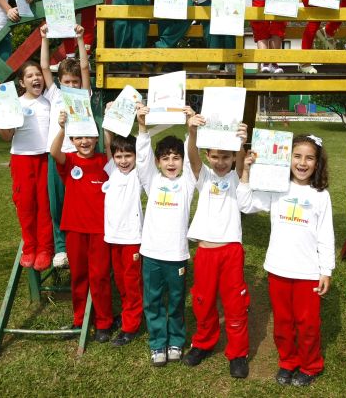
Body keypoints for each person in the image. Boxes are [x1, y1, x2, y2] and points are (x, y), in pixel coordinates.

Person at [237, 135, 334, 387]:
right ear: (287, 159)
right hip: (278, 268)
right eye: (297, 156)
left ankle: (311, 365)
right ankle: (288, 361)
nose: (302, 163)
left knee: (308, 324)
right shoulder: (276, 187)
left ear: (317, 162)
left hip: (308, 272)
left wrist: (326, 270)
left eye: (309, 158)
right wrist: (246, 172)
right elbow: (246, 204)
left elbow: (326, 234)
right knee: (283, 322)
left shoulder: (320, 195)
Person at [182, 121, 250, 378]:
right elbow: (192, 157)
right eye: (215, 156)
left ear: (232, 157)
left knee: (235, 304)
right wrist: (192, 133)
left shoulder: (235, 177)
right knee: (203, 301)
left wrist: (241, 144)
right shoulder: (204, 176)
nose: (220, 162)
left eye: (226, 157)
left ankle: (238, 353)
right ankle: (203, 343)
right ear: (208, 156)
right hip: (206, 251)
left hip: (231, 249)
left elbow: (242, 166)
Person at [135, 103, 199, 367]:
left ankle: (175, 340)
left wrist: (190, 129)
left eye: (176, 158)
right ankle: (158, 343)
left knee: (175, 301)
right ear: (158, 162)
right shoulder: (152, 180)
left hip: (176, 256)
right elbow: (142, 158)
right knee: (152, 302)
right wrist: (141, 126)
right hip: (150, 254)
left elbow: (195, 157)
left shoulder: (188, 182)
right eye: (165, 158)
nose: (171, 163)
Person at [50, 108, 115, 342]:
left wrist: (106, 127)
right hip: (75, 229)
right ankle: (79, 319)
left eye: (89, 136)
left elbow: (110, 149)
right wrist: (61, 127)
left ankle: (104, 321)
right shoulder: (69, 161)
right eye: (79, 137)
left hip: (100, 230)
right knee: (78, 275)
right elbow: (53, 151)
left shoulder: (104, 161)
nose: (85, 141)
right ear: (73, 140)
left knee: (99, 276)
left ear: (96, 138)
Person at [0, 61, 52, 271]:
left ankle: (44, 248)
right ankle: (30, 247)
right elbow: (7, 136)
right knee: (25, 204)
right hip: (22, 159)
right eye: (30, 76)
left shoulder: (50, 102)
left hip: (45, 158)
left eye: (38, 75)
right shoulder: (14, 103)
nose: (36, 79)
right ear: (22, 82)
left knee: (45, 204)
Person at [40, 23, 90, 268]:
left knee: (79, 201)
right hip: (58, 154)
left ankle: (79, 244)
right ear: (60, 82)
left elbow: (83, 66)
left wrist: (80, 39)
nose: (71, 85)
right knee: (57, 201)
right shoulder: (55, 95)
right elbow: (43, 67)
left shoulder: (85, 94)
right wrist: (44, 38)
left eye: (75, 82)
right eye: (67, 81)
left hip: (80, 156)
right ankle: (61, 248)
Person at [101, 128, 145, 347]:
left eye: (128, 155)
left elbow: (144, 151)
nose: (123, 160)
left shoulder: (139, 174)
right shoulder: (112, 170)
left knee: (132, 282)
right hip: (113, 238)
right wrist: (108, 125)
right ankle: (129, 313)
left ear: (136, 157)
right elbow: (109, 144)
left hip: (132, 239)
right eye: (119, 156)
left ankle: (131, 326)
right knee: (120, 281)